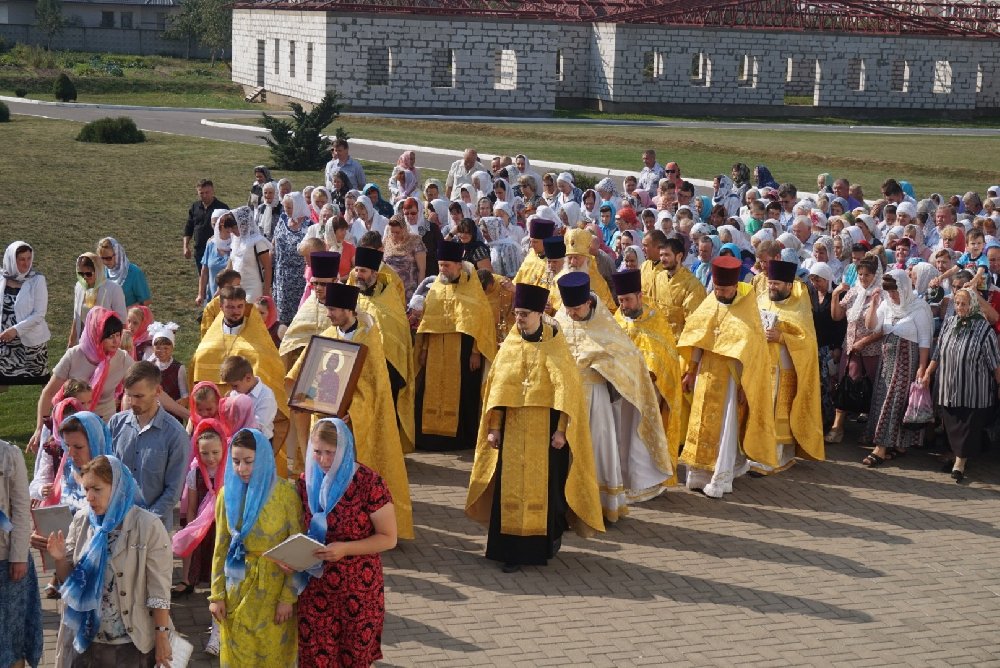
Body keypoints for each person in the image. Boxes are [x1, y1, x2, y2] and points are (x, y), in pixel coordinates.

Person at [466, 283, 604, 572]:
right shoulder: (511, 345)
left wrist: (562, 431)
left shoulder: (556, 346)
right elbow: (497, 393)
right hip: (513, 433)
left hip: (546, 434)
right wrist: (494, 427)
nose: (519, 319)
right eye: (517, 313)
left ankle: (545, 544)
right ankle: (509, 551)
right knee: (509, 490)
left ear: (540, 314)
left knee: (548, 490)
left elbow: (568, 393)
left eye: (525, 314)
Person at [286, 282, 414, 539]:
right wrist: (303, 396)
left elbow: (374, 389)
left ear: (348, 310)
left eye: (333, 310)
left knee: (349, 478)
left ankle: (356, 525)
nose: (329, 314)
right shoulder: (327, 336)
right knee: (321, 470)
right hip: (322, 420)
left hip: (353, 423)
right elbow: (303, 373)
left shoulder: (369, 339)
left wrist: (351, 411)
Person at [555, 272, 672, 522]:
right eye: (568, 309)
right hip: (565, 398)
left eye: (576, 309)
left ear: (588, 303)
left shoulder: (606, 325)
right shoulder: (561, 319)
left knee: (598, 448)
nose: (571, 314)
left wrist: (601, 365)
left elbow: (630, 359)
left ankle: (601, 505)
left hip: (595, 398)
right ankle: (566, 505)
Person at [47, 455, 174, 668]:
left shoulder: (148, 526)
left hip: (130, 643)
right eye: (86, 489)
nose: (89, 497)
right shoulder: (82, 520)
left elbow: (159, 591)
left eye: (97, 489)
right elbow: (69, 583)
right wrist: (60, 559)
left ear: (118, 488)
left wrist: (162, 635)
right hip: (88, 640)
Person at [295, 418, 397, 666]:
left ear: (345, 449)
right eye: (317, 452)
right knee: (315, 659)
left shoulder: (369, 483)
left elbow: (388, 538)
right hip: (315, 590)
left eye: (330, 452)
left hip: (358, 590)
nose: (323, 460)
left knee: (354, 659)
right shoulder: (306, 482)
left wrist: (346, 549)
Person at [677, 256, 775, 499]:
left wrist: (746, 385)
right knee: (701, 424)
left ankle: (719, 479)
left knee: (724, 428)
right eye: (717, 288)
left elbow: (754, 354)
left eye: (724, 289)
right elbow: (698, 339)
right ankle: (698, 475)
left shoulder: (747, 310)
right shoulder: (711, 302)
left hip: (731, 379)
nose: (719, 293)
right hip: (705, 373)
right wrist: (691, 371)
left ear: (734, 287)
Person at [209, 428, 303, 667]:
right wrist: (217, 596)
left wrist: (287, 598)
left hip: (274, 593)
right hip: (237, 589)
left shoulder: (286, 493)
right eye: (235, 461)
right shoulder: (226, 495)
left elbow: (298, 549)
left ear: (263, 459)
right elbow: (221, 548)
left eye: (249, 461)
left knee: (273, 657)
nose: (241, 469)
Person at [190, 286, 291, 473]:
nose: (236, 311)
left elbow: (269, 363)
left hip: (250, 433)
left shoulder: (257, 335)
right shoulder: (211, 337)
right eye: (230, 307)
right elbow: (198, 362)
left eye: (240, 306)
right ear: (221, 307)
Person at [412, 241, 497, 451]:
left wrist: (476, 352)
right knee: (430, 390)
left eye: (447, 265)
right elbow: (428, 321)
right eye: (440, 265)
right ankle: (428, 437)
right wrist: (424, 350)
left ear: (459, 265)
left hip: (463, 351)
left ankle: (461, 439)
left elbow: (481, 322)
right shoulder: (437, 287)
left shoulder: (472, 288)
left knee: (463, 392)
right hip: (435, 350)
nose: (442, 269)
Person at [753, 260, 825, 474]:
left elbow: (808, 342)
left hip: (784, 370)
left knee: (778, 412)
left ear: (788, 285)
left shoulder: (799, 307)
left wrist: (782, 337)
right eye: (770, 282)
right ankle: (757, 453)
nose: (772, 287)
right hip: (761, 366)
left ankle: (777, 457)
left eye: (776, 284)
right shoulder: (761, 298)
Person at [613, 269, 685, 481]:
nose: (624, 305)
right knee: (622, 434)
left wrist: (650, 375)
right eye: (620, 300)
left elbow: (664, 354)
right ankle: (625, 479)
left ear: (639, 296)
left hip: (648, 390)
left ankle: (646, 481)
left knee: (640, 437)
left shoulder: (656, 321)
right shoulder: (618, 318)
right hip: (621, 388)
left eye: (627, 300)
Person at [922, 287, 1000, 482]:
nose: (960, 307)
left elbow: (995, 362)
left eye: (964, 304)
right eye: (957, 303)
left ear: (972, 304)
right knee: (951, 425)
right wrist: (928, 372)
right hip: (949, 387)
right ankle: (956, 456)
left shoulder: (983, 329)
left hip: (973, 391)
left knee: (967, 428)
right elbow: (938, 351)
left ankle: (960, 463)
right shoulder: (950, 323)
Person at [30, 309, 131, 453]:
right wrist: (39, 428)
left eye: (118, 335)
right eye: (110, 337)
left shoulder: (122, 358)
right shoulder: (74, 355)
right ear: (96, 334)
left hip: (104, 425)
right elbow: (49, 393)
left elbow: (143, 380)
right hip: (72, 424)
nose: (116, 341)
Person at [862, 269, 934, 466]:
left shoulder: (919, 308)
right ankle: (896, 444)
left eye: (895, 291)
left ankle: (881, 448)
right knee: (883, 399)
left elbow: (925, 340)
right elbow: (871, 326)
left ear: (904, 288)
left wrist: (922, 367)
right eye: (889, 291)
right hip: (887, 362)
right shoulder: (887, 305)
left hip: (907, 362)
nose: (892, 295)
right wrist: (874, 304)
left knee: (895, 403)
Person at [349, 247, 416, 454]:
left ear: (374, 274)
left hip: (388, 365)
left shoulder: (389, 299)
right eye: (356, 270)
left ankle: (389, 453)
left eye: (363, 271)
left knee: (387, 409)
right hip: (357, 365)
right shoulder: (351, 297)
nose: (358, 275)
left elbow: (397, 331)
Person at [110, 361, 190, 530]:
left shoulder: (175, 434)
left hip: (154, 530)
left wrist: (144, 522)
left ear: (158, 391)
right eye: (129, 395)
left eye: (139, 396)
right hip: (116, 524)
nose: (133, 402)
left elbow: (173, 490)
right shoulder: (115, 424)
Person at [171, 420, 227, 652]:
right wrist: (194, 533)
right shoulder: (195, 474)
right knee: (213, 581)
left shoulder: (230, 471)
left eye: (215, 452)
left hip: (225, 533)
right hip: (206, 533)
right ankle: (216, 630)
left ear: (224, 448)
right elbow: (192, 508)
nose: (210, 458)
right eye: (204, 453)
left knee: (224, 580)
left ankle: (219, 631)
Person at [0, 436, 44, 668]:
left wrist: (18, 556)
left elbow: (20, 508)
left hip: (6, 559)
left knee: (12, 634)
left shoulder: (9, 455)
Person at [0, 241, 50, 386]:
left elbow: (39, 314)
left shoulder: (37, 280)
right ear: (11, 259)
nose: (26, 263)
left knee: (43, 383)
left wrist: (15, 330)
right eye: (22, 259)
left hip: (31, 343)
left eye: (29, 258)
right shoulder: (2, 278)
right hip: (5, 343)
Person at [279, 251, 338, 370]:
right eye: (315, 283)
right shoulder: (308, 305)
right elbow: (289, 341)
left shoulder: (344, 308)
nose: (318, 288)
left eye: (324, 284)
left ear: (335, 281)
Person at [652, 237, 707, 340]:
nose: (662, 259)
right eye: (661, 255)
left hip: (680, 340)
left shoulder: (693, 285)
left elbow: (694, 322)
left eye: (667, 255)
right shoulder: (658, 277)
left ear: (679, 256)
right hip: (659, 337)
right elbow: (652, 306)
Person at [70, 252, 126, 346]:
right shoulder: (79, 287)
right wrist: (71, 342)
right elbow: (76, 317)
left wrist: (116, 344)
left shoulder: (114, 289)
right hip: (83, 341)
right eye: (81, 273)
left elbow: (122, 321)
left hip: (105, 341)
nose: (84, 277)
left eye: (88, 274)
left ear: (98, 270)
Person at [272, 194, 310, 324]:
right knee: (281, 311)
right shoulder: (282, 219)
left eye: (289, 208)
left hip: (299, 276)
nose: (286, 210)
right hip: (281, 274)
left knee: (298, 312)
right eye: (285, 207)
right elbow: (275, 240)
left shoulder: (308, 225)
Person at [221, 354, 278, 441]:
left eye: (235, 386)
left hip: (260, 441)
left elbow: (258, 426)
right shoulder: (235, 393)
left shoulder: (266, 396)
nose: (232, 389)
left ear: (248, 378)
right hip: (239, 439)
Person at [224, 206, 272, 302]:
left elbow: (267, 268)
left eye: (234, 227)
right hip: (236, 288)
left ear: (243, 224)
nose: (232, 231)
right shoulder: (236, 241)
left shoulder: (257, 242)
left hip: (253, 288)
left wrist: (266, 291)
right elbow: (231, 264)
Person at [185, 178, 230, 273]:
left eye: (207, 192)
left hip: (216, 250)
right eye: (201, 193)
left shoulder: (222, 208)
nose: (204, 195)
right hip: (199, 249)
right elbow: (189, 227)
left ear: (213, 191)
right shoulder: (195, 207)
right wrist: (185, 246)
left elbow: (229, 229)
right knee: (202, 275)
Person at [383, 212, 428, 300]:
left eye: (397, 232)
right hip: (391, 290)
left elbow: (422, 269)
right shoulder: (386, 241)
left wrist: (418, 294)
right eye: (392, 232)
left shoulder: (415, 241)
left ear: (404, 229)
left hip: (409, 290)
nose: (394, 235)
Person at [96, 237, 152, 308]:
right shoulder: (103, 271)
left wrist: (125, 310)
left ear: (117, 254)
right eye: (101, 258)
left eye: (108, 258)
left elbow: (146, 301)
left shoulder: (134, 273)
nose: (105, 262)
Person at [197, 210, 234, 308]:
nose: (216, 227)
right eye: (214, 224)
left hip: (231, 299)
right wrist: (201, 294)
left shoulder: (237, 244)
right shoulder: (211, 244)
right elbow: (204, 271)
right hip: (212, 296)